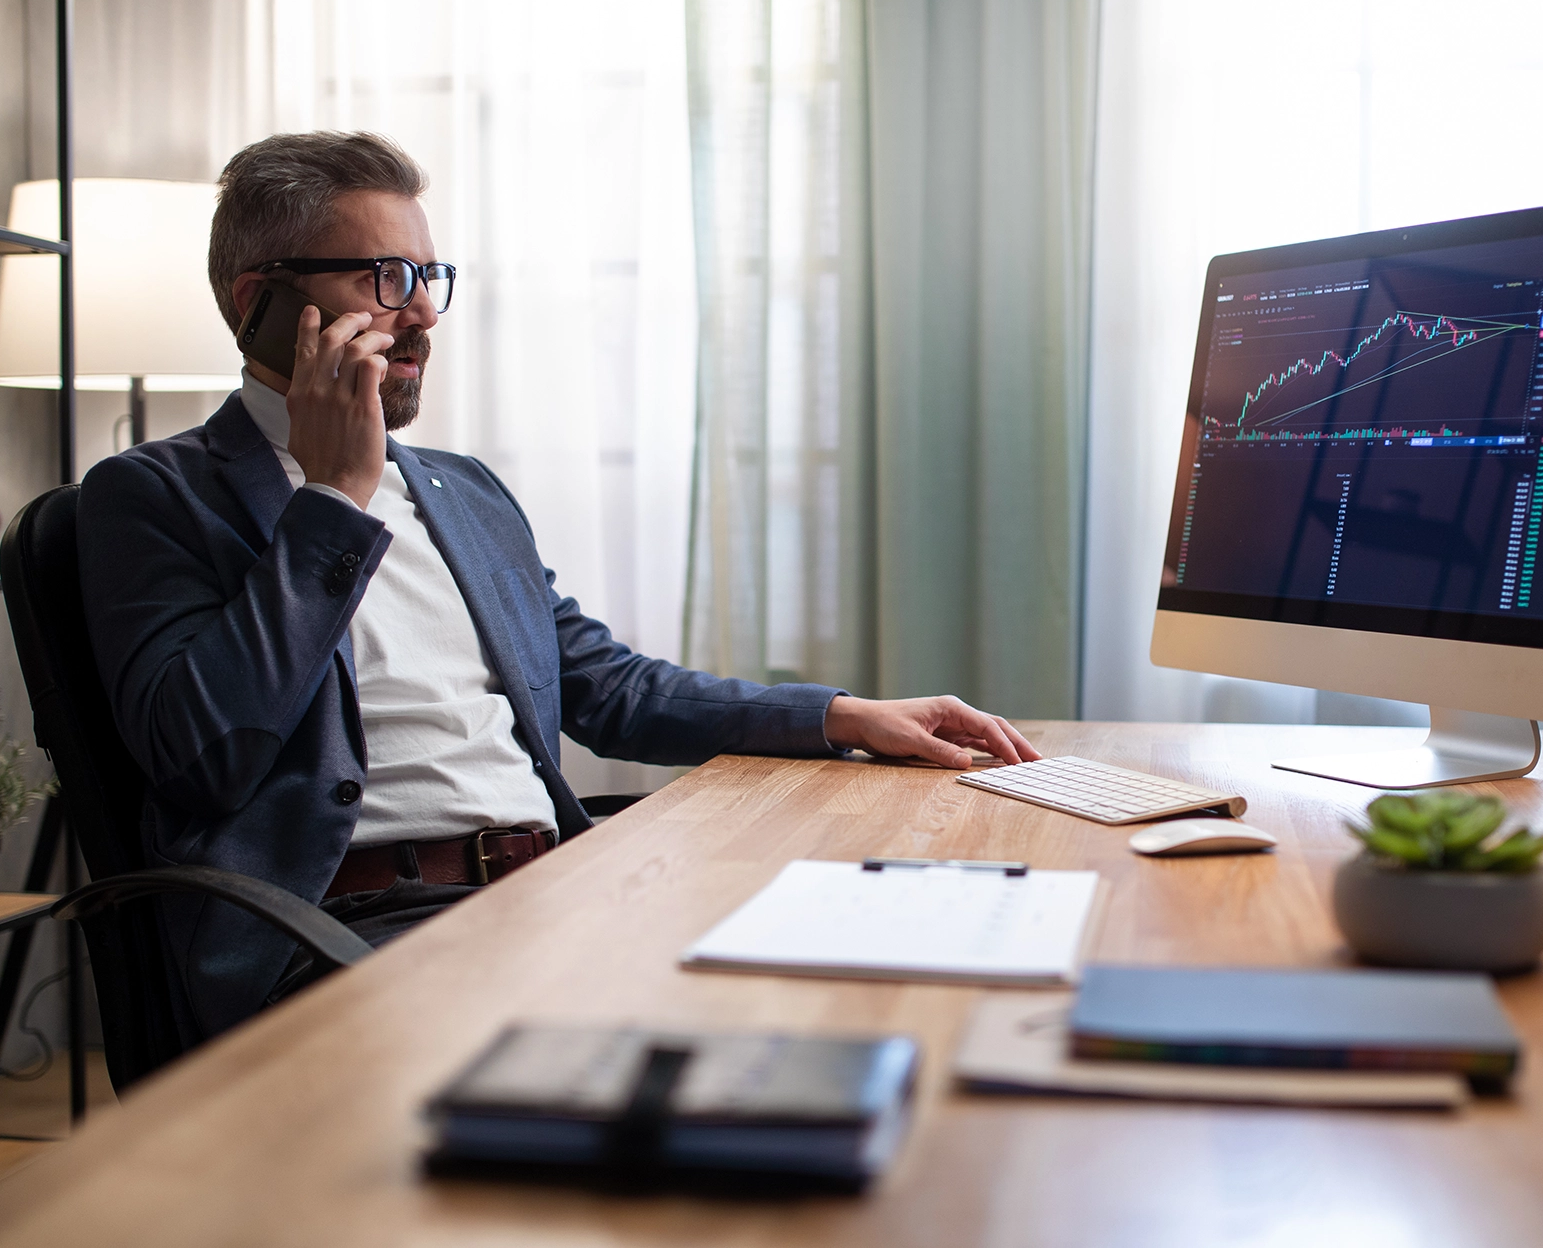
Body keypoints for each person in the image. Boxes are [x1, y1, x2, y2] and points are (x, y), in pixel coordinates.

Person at [78, 131, 1039, 1039]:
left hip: (554, 892)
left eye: (428, 276)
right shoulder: (151, 497)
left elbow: (609, 688)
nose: (420, 313)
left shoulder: (463, 491)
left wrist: (841, 715)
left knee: (891, 981)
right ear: (259, 302)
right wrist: (333, 498)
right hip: (350, 934)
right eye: (386, 277)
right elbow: (206, 756)